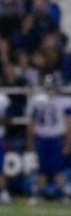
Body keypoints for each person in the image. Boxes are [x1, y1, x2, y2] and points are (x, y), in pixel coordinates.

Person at [26, 74, 71, 202]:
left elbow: (68, 123)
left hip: (56, 138)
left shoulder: (63, 101)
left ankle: (62, 193)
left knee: (58, 169)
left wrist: (68, 142)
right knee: (42, 169)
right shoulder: (38, 100)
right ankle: (39, 193)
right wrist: (31, 140)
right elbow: (32, 122)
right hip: (42, 137)